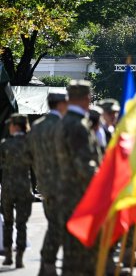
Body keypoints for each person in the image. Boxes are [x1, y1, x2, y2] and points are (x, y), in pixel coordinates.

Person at [54, 80, 102, 275]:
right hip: (80, 194)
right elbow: (84, 165)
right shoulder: (78, 125)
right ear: (86, 98)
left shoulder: (64, 122)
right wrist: (103, 180)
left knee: (71, 253)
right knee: (82, 253)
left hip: (66, 192)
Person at [26, 90, 68, 275]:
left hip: (43, 182)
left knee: (55, 223)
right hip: (60, 183)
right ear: (60, 104)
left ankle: (46, 266)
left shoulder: (36, 126)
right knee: (58, 225)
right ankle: (48, 263)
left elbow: (29, 153)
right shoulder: (62, 125)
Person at [0, 114, 32, 268]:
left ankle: (8, 255)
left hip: (7, 188)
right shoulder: (29, 144)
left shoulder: (5, 144)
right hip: (24, 188)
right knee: (21, 224)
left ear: (15, 126)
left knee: (8, 223)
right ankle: (19, 256)